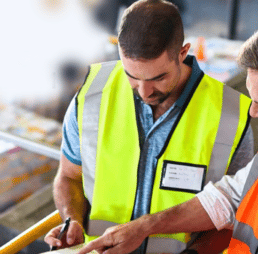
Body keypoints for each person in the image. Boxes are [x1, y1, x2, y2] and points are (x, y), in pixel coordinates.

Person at [44, 0, 253, 253]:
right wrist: (71, 219)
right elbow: (68, 176)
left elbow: (233, 211)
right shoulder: (92, 94)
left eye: (158, 78)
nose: (144, 91)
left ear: (183, 52)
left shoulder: (231, 116)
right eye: (132, 75)